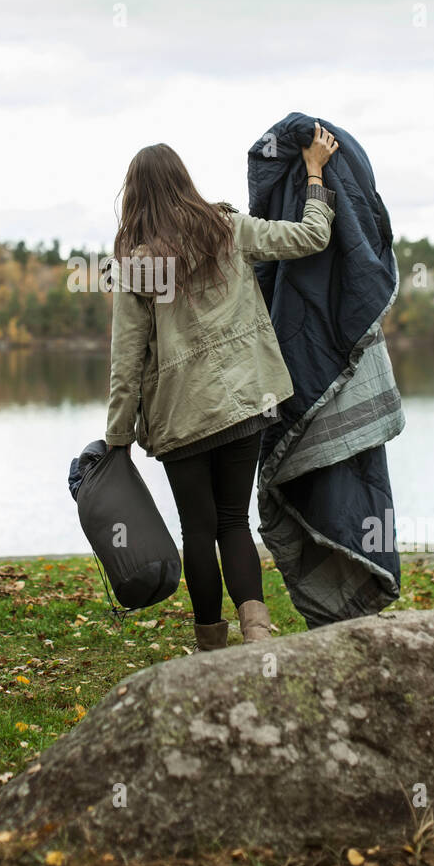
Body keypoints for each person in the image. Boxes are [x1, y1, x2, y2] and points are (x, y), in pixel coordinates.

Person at [105, 126, 338, 649]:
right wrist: (315, 173)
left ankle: (211, 642)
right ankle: (257, 635)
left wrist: (118, 436)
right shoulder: (228, 228)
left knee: (198, 530)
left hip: (181, 417)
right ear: (184, 182)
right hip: (246, 402)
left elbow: (127, 361)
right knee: (234, 521)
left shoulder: (137, 266)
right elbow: (310, 236)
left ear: (135, 197)